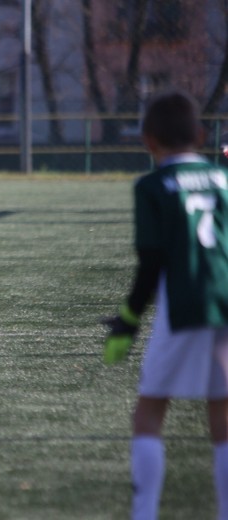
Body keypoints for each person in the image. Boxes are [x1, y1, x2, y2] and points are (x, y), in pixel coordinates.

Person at [103, 91, 228, 519]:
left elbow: (151, 264)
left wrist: (128, 321)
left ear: (147, 140)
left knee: (151, 410)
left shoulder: (153, 185)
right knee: (223, 415)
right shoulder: (223, 178)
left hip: (186, 305)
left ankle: (145, 514)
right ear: (201, 133)